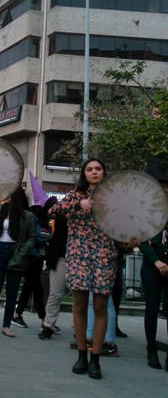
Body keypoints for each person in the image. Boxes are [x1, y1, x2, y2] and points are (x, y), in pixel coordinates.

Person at [49, 158, 138, 380]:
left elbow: (121, 234)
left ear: (104, 173)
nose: (94, 172)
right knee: (79, 306)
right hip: (78, 256)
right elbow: (53, 210)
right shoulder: (75, 195)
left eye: (98, 169)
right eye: (89, 169)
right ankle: (81, 355)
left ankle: (95, 358)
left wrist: (130, 242)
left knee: (100, 307)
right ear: (84, 174)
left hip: (104, 256)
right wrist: (79, 205)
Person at [0, 187, 37, 338]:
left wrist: (21, 253)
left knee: (12, 292)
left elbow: (32, 237)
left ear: (16, 196)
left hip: (16, 252)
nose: (4, 196)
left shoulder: (28, 216)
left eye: (8, 193)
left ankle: (6, 325)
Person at [12, 195, 57, 329]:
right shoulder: (35, 221)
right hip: (31, 257)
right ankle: (44, 320)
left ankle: (17, 315)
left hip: (39, 258)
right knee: (37, 289)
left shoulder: (47, 223)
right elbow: (33, 237)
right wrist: (45, 242)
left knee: (29, 287)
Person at [139, 178, 168, 370]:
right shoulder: (148, 211)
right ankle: (151, 349)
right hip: (152, 264)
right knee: (152, 307)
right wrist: (155, 260)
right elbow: (141, 239)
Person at [38, 214, 69, 339]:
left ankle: (83, 333)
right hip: (61, 256)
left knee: (83, 298)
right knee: (55, 293)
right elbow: (50, 210)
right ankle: (48, 326)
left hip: (80, 257)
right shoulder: (64, 212)